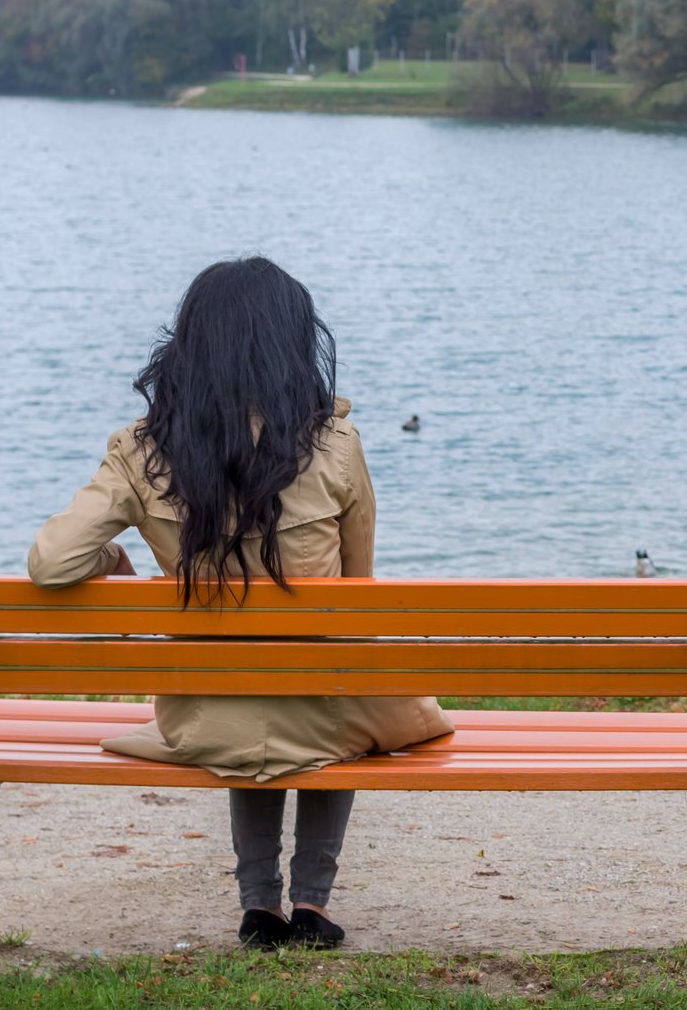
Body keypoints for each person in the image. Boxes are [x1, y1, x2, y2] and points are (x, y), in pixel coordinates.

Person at [28, 257, 453, 948]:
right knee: (333, 683)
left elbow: (50, 563)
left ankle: (261, 907)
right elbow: (360, 597)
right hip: (327, 714)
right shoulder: (337, 446)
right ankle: (312, 903)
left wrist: (112, 560)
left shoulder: (140, 452)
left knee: (249, 690)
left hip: (207, 717)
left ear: (191, 347)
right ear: (291, 346)